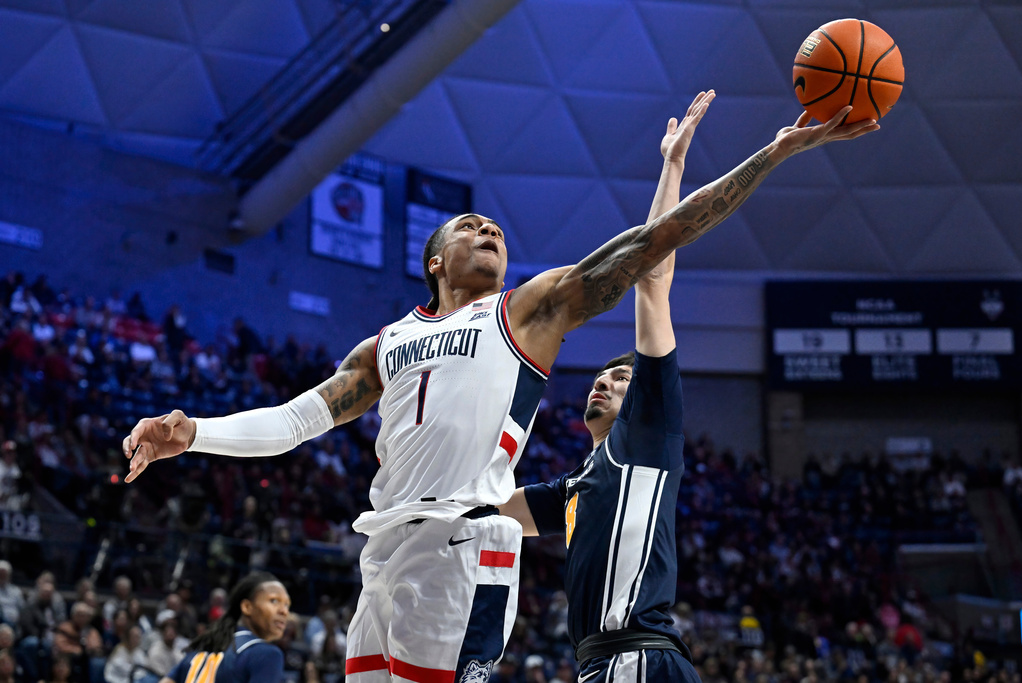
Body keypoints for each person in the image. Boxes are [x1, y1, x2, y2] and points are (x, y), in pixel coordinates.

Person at [123, 99, 877, 681]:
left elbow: (655, 243)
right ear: (433, 260)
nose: (489, 230)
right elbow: (295, 421)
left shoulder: (526, 311)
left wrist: (772, 155)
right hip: (382, 551)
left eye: (498, 232)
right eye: (470, 226)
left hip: (462, 546)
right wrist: (195, 432)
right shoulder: (383, 345)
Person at [496, 95, 709, 682]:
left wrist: (672, 167)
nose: (603, 383)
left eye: (619, 378)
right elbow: (489, 510)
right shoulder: (576, 487)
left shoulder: (647, 430)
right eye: (598, 378)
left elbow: (651, 275)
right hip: (602, 665)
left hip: (642, 657)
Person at [161, 572, 289, 683]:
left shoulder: (204, 648)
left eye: (287, 605)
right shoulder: (266, 654)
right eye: (274, 601)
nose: (284, 611)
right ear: (247, 607)